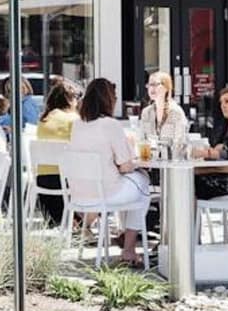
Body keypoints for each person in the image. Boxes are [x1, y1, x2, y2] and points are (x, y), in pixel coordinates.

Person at [68, 78, 151, 268]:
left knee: (131, 186)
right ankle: (129, 248)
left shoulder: (77, 125)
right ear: (108, 99)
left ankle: (123, 233)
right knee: (143, 183)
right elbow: (125, 166)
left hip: (80, 195)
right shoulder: (111, 125)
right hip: (106, 193)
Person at [34, 79, 80, 224]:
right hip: (67, 185)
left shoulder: (43, 120)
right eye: (76, 98)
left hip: (43, 186)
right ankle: (83, 223)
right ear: (70, 99)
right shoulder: (74, 120)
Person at [138, 70, 189, 144]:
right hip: (151, 155)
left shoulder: (176, 112)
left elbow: (180, 143)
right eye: (150, 84)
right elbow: (142, 140)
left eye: (155, 84)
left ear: (166, 88)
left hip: (172, 155)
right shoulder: (146, 112)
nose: (152, 88)